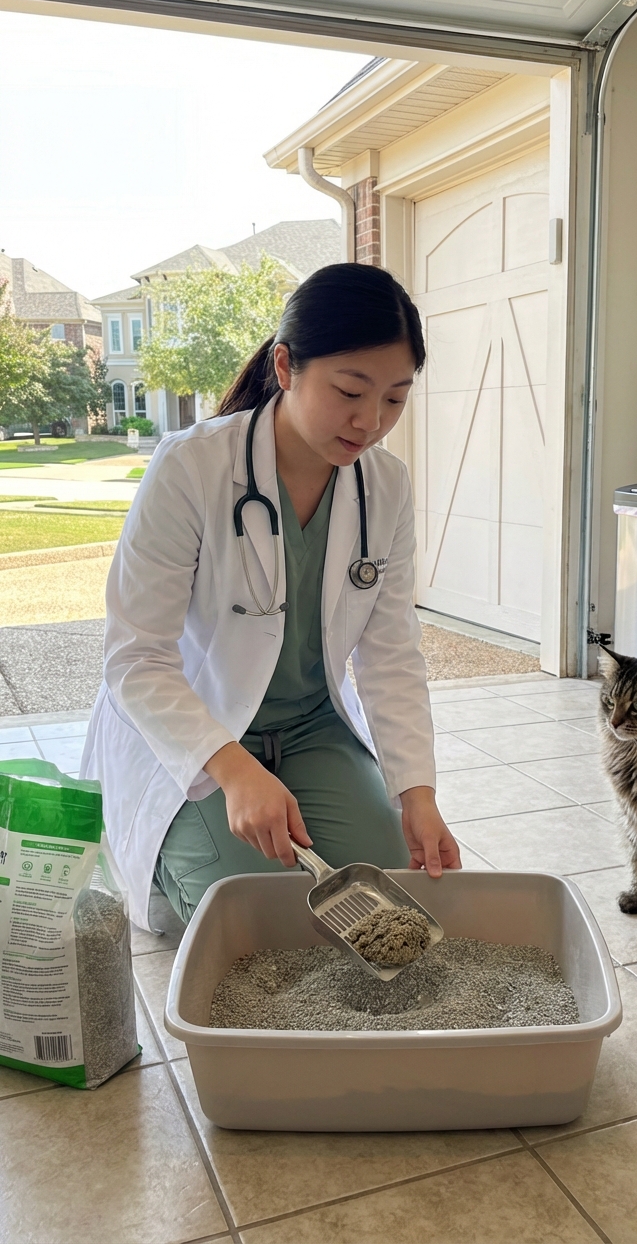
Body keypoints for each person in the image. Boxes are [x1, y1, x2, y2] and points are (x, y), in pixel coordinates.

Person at [81, 263, 460, 930]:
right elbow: (134, 657)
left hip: (311, 728)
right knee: (257, 917)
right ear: (285, 367)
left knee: (387, 891)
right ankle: (179, 858)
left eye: (396, 399)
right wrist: (233, 770)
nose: (371, 422)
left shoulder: (386, 488)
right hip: (200, 731)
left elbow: (391, 654)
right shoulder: (190, 468)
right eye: (350, 391)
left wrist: (417, 793)